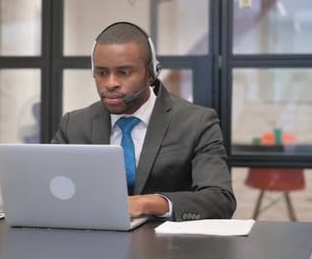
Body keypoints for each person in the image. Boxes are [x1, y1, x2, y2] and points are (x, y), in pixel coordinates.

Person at [52, 22, 236, 221]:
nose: (110, 83)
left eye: (124, 72)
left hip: (167, 248)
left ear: (150, 73)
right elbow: (47, 188)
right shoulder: (74, 125)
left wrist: (146, 204)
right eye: (102, 73)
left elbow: (220, 200)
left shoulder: (196, 122)